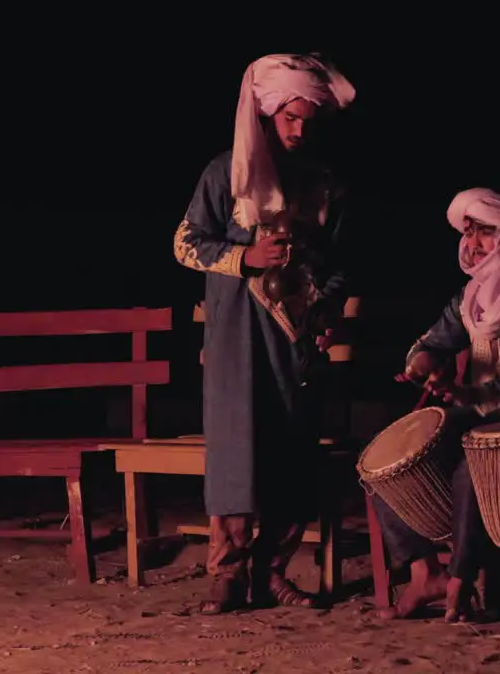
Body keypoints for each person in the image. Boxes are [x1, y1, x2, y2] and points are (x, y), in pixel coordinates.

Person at [172, 53, 356, 615]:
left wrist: (323, 309)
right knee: (237, 451)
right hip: (236, 336)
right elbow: (184, 243)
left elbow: (341, 264)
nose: (299, 130)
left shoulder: (324, 185)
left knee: (291, 449)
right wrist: (244, 256)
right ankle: (227, 574)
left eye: (308, 120)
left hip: (294, 337)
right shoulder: (227, 173)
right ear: (268, 115)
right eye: (290, 119)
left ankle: (271, 573)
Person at [374, 187, 500, 622]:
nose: (472, 245)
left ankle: (461, 579)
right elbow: (431, 343)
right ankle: (425, 574)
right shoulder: (470, 299)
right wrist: (423, 365)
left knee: (470, 467)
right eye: (469, 233)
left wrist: (474, 395)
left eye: (485, 234)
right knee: (387, 464)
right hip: (470, 416)